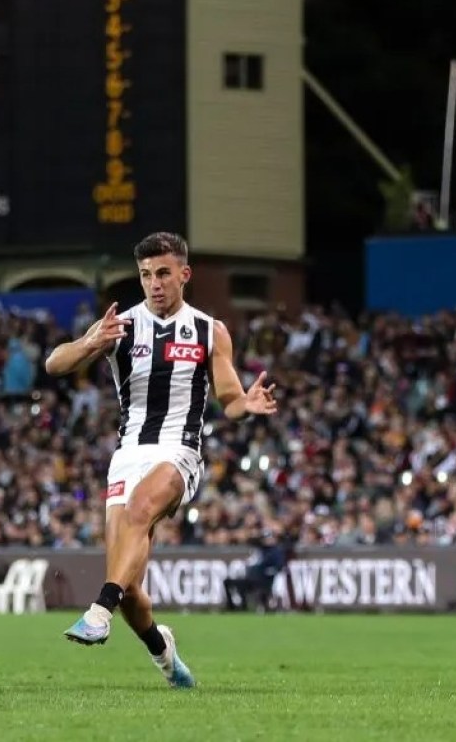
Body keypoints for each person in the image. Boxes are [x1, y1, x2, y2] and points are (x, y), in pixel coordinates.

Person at [44, 231, 280, 688]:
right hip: (128, 454)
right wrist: (92, 342)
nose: (154, 283)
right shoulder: (122, 326)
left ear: (184, 275)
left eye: (163, 274)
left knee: (140, 511)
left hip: (180, 451)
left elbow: (229, 397)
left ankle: (97, 611)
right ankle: (162, 651)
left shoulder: (211, 330)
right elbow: (55, 364)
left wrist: (244, 406)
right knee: (131, 588)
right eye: (146, 275)